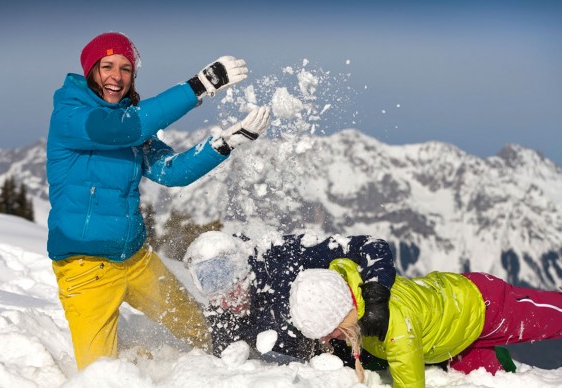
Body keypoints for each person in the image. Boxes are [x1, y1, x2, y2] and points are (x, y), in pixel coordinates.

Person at [46, 31, 271, 370]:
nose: (116, 76)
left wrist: (225, 144)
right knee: (99, 374)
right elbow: (122, 129)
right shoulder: (73, 116)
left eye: (125, 69)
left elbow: (170, 171)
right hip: (86, 269)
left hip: (135, 258)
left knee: (199, 331)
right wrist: (200, 85)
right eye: (107, 66)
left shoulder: (130, 124)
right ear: (91, 71)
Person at [289, 266, 562, 387]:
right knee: (488, 380)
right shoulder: (354, 295)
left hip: (483, 304)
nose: (328, 339)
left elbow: (410, 382)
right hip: (456, 340)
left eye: (330, 330)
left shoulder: (396, 329)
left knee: (552, 318)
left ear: (342, 314)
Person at [183, 230, 395, 367]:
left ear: (246, 273)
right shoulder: (223, 314)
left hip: (384, 325)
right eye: (217, 299)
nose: (228, 304)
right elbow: (225, 368)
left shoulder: (285, 256)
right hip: (344, 369)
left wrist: (376, 298)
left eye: (233, 292)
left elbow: (371, 245)